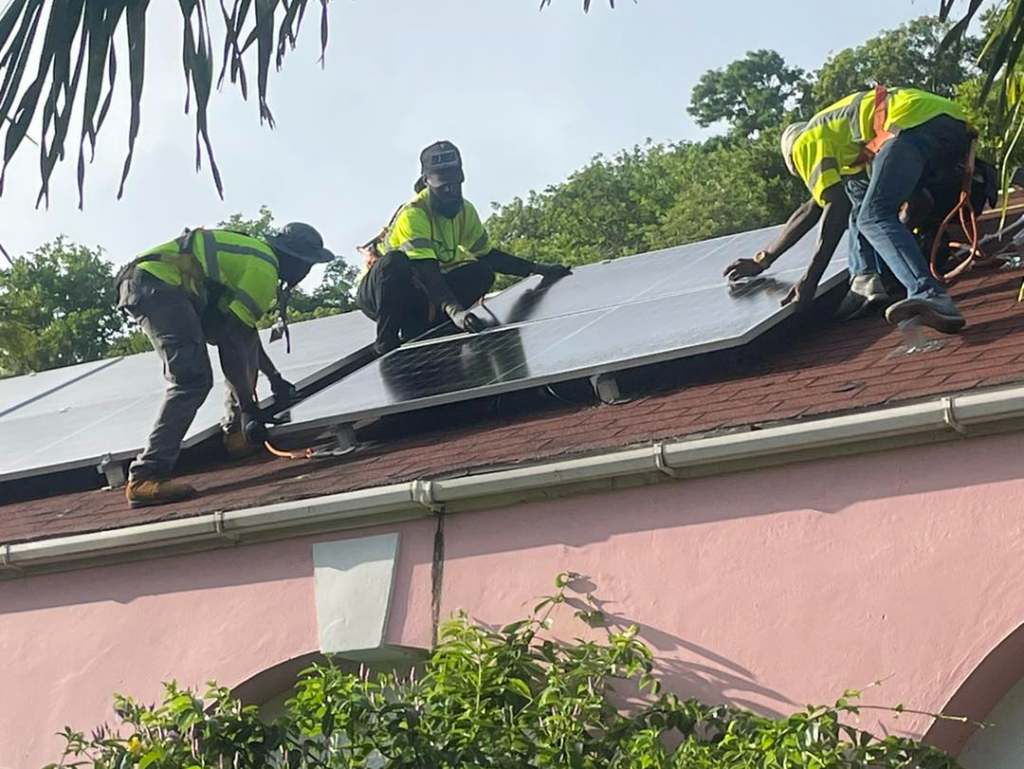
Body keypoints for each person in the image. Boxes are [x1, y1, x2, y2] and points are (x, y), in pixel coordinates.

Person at [116, 223, 334, 508]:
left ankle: (234, 436)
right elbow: (231, 343)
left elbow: (244, 333)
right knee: (191, 380)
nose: (306, 273)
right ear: (293, 259)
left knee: (234, 342)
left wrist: (275, 377)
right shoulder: (265, 269)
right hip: (160, 287)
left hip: (157, 284)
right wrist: (249, 408)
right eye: (307, 265)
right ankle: (146, 475)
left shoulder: (254, 257)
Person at [725, 86, 973, 333]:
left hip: (910, 122)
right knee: (861, 201)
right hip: (952, 124)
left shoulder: (805, 143)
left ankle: (929, 294)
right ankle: (867, 281)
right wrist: (763, 259)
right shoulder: (846, 145)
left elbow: (835, 208)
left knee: (873, 216)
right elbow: (813, 209)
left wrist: (811, 279)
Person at [357, 140, 572, 355]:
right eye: (444, 187)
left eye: (456, 184)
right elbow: (427, 271)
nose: (451, 192)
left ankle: (425, 327)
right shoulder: (414, 214)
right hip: (383, 294)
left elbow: (489, 256)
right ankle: (386, 345)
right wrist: (456, 311)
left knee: (482, 272)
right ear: (427, 181)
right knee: (395, 262)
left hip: (422, 297)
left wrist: (539, 269)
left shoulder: (465, 211)